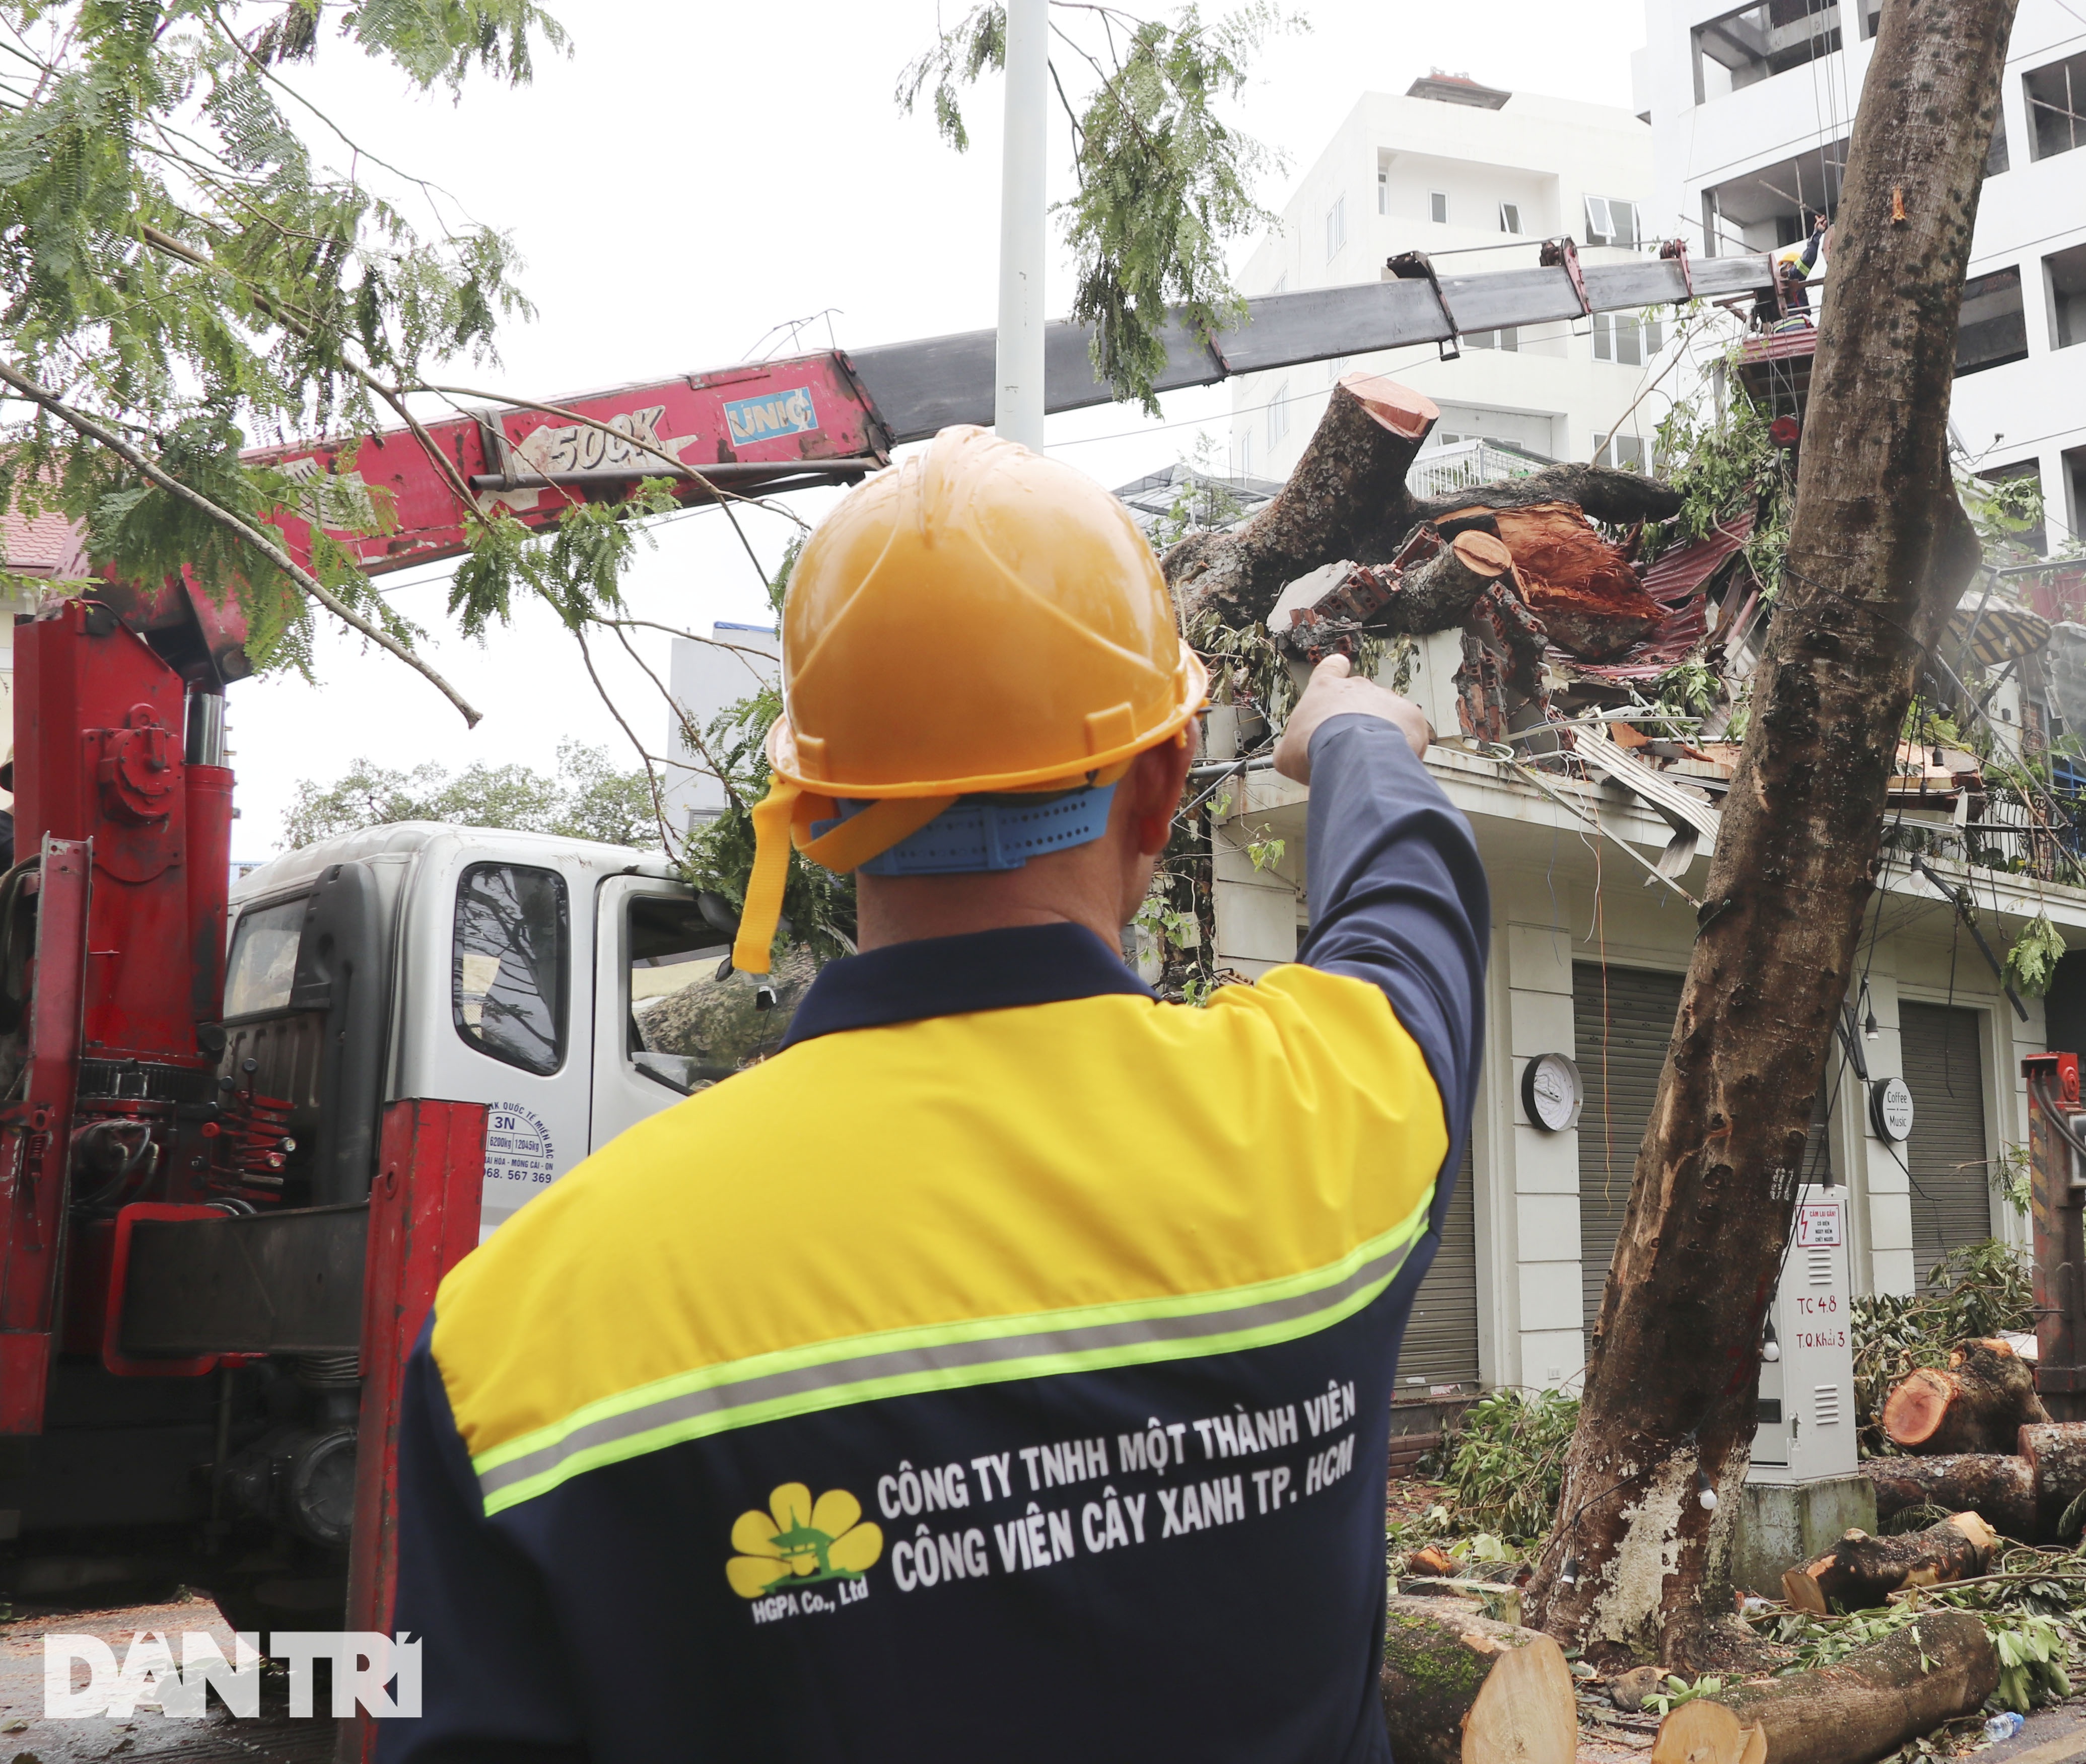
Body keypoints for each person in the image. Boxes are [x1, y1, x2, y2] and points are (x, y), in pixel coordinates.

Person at [384, 427, 1487, 1762]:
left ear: (809, 808)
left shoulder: (522, 1339)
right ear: (1158, 788)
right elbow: (1409, 928)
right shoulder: (1328, 1120)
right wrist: (1365, 739)